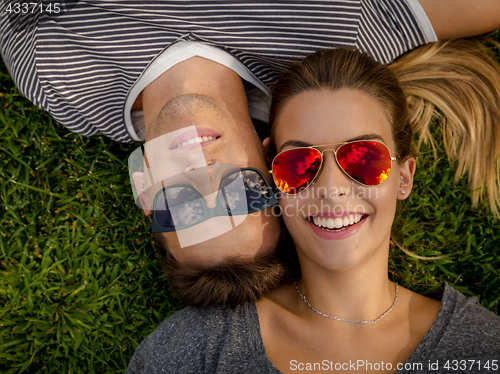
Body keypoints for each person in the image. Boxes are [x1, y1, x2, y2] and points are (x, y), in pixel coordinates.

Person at [1, 1, 500, 308]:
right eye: (243, 193)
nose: (205, 175)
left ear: (145, 190)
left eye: (184, 206)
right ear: (271, 160)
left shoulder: (58, 77)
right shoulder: (336, 35)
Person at [124, 48, 500, 373]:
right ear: (272, 178)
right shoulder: (198, 349)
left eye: (364, 158)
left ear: (404, 178)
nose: (332, 190)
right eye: (301, 163)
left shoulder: (482, 348)